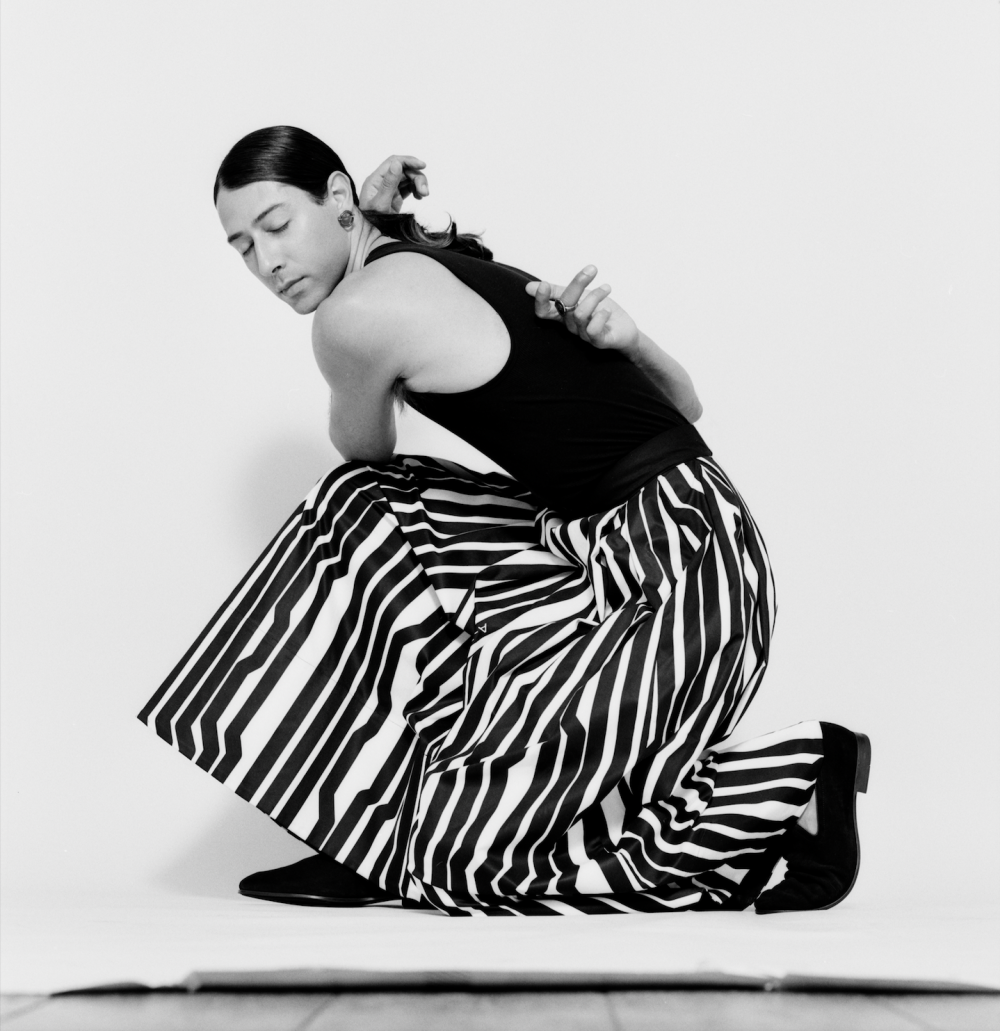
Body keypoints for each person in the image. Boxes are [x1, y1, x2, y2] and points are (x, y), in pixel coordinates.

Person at [140, 125, 870, 917]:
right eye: (243, 247)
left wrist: (375, 250)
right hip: (631, 542)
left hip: (682, 578)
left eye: (278, 226)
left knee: (470, 863)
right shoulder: (426, 265)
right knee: (366, 510)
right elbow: (685, 403)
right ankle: (376, 839)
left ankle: (802, 776)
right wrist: (378, 231)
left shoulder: (353, 314)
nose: (267, 262)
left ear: (339, 196)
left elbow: (363, 446)